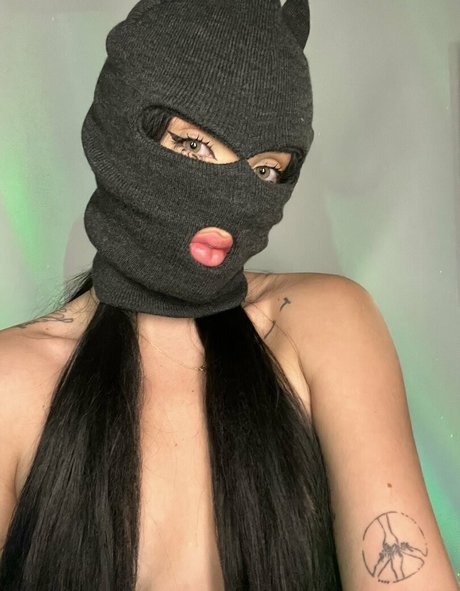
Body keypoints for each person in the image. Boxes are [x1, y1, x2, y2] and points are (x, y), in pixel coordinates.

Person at [0, 0, 458, 590]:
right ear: (117, 124)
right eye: (194, 145)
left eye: (266, 169)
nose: (235, 197)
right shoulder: (13, 382)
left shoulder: (322, 328)